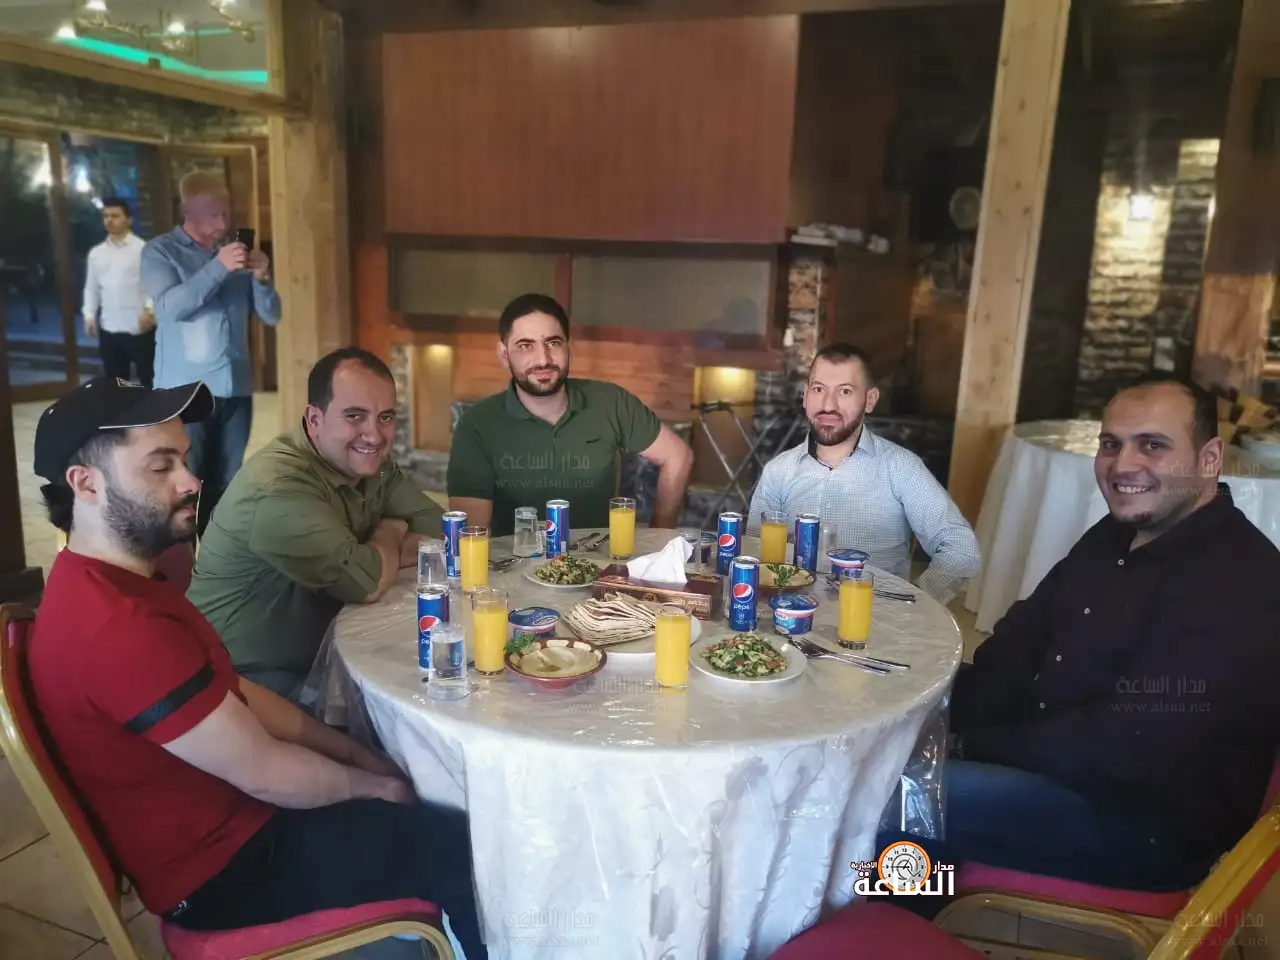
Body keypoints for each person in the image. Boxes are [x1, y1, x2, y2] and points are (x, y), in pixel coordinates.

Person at [29, 377, 485, 958]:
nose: (191, 481)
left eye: (185, 460)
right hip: (227, 870)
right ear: (85, 483)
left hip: (239, 821)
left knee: (412, 781)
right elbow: (267, 773)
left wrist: (356, 755)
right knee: (468, 848)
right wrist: (376, 787)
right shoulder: (115, 627)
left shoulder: (121, 580)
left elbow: (234, 691)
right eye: (161, 466)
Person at [879, 373, 1280, 897]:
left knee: (895, 796)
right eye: (1111, 444)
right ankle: (911, 902)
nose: (1123, 465)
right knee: (881, 746)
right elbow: (1018, 644)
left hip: (1147, 825)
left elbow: (1125, 745)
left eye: (1152, 446)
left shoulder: (1242, 579)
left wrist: (966, 743)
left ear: (1209, 459)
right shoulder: (1115, 533)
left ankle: (880, 912)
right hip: (1063, 763)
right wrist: (931, 715)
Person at [187, 348, 442, 703]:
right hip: (242, 678)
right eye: (355, 416)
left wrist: (373, 556)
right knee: (413, 704)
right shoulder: (279, 488)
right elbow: (366, 583)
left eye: (385, 417)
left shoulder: (368, 464)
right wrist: (391, 529)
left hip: (322, 650)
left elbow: (437, 526)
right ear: (314, 420)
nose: (374, 435)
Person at [747, 343, 979, 604]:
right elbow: (754, 551)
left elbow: (961, 548)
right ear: (805, 396)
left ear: (870, 400)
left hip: (875, 619)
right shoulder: (779, 471)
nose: (828, 405)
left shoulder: (901, 468)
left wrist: (916, 604)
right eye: (819, 389)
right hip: (789, 614)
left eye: (845, 391)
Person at [448, 292, 694, 537]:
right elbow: (471, 534)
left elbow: (678, 455)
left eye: (553, 343)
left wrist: (660, 537)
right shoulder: (477, 425)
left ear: (569, 348)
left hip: (598, 557)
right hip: (515, 559)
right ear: (504, 355)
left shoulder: (610, 402)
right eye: (525, 346)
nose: (543, 359)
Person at [141, 171, 282, 535]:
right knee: (187, 486)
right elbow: (170, 309)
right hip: (186, 395)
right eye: (213, 215)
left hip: (236, 389)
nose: (222, 223)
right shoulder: (160, 252)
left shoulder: (236, 256)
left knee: (230, 486)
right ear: (187, 210)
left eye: (226, 214)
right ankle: (184, 566)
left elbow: (271, 315)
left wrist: (263, 278)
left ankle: (220, 562)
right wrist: (218, 267)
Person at [82, 197, 155, 387]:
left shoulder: (143, 249)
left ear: (129, 220)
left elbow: (156, 284)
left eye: (115, 215)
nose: (109, 220)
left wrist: (150, 309)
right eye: (105, 216)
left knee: (149, 380)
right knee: (115, 385)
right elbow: (91, 288)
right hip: (109, 327)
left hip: (139, 327)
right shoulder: (96, 253)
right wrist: (89, 315)